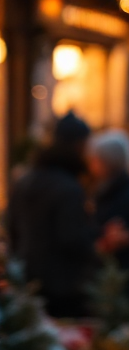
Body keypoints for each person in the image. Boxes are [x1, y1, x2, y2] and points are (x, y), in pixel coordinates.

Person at [8, 112, 104, 317]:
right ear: (78, 146)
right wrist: (98, 245)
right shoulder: (68, 187)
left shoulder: (25, 181)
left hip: (28, 278)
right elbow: (73, 239)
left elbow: (12, 228)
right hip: (63, 287)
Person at [88, 129, 129, 303]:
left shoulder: (125, 193)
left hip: (126, 276)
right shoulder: (109, 190)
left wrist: (117, 238)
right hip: (117, 275)